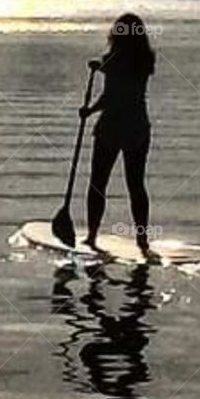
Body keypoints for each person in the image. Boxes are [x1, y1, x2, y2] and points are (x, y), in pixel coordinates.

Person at [80, 13, 156, 257]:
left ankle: (92, 235)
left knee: (98, 183)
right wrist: (91, 109)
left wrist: (90, 110)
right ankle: (142, 240)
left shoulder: (114, 61)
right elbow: (119, 92)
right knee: (136, 185)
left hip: (113, 126)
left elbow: (113, 95)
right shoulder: (146, 60)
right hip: (137, 126)